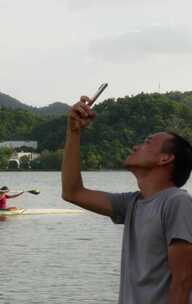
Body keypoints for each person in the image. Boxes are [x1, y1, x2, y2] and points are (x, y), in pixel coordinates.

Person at [61, 95, 192, 303]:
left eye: (148, 142)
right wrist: (73, 132)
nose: (136, 147)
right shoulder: (132, 204)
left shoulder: (177, 203)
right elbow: (72, 192)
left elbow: (183, 282)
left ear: (165, 158)